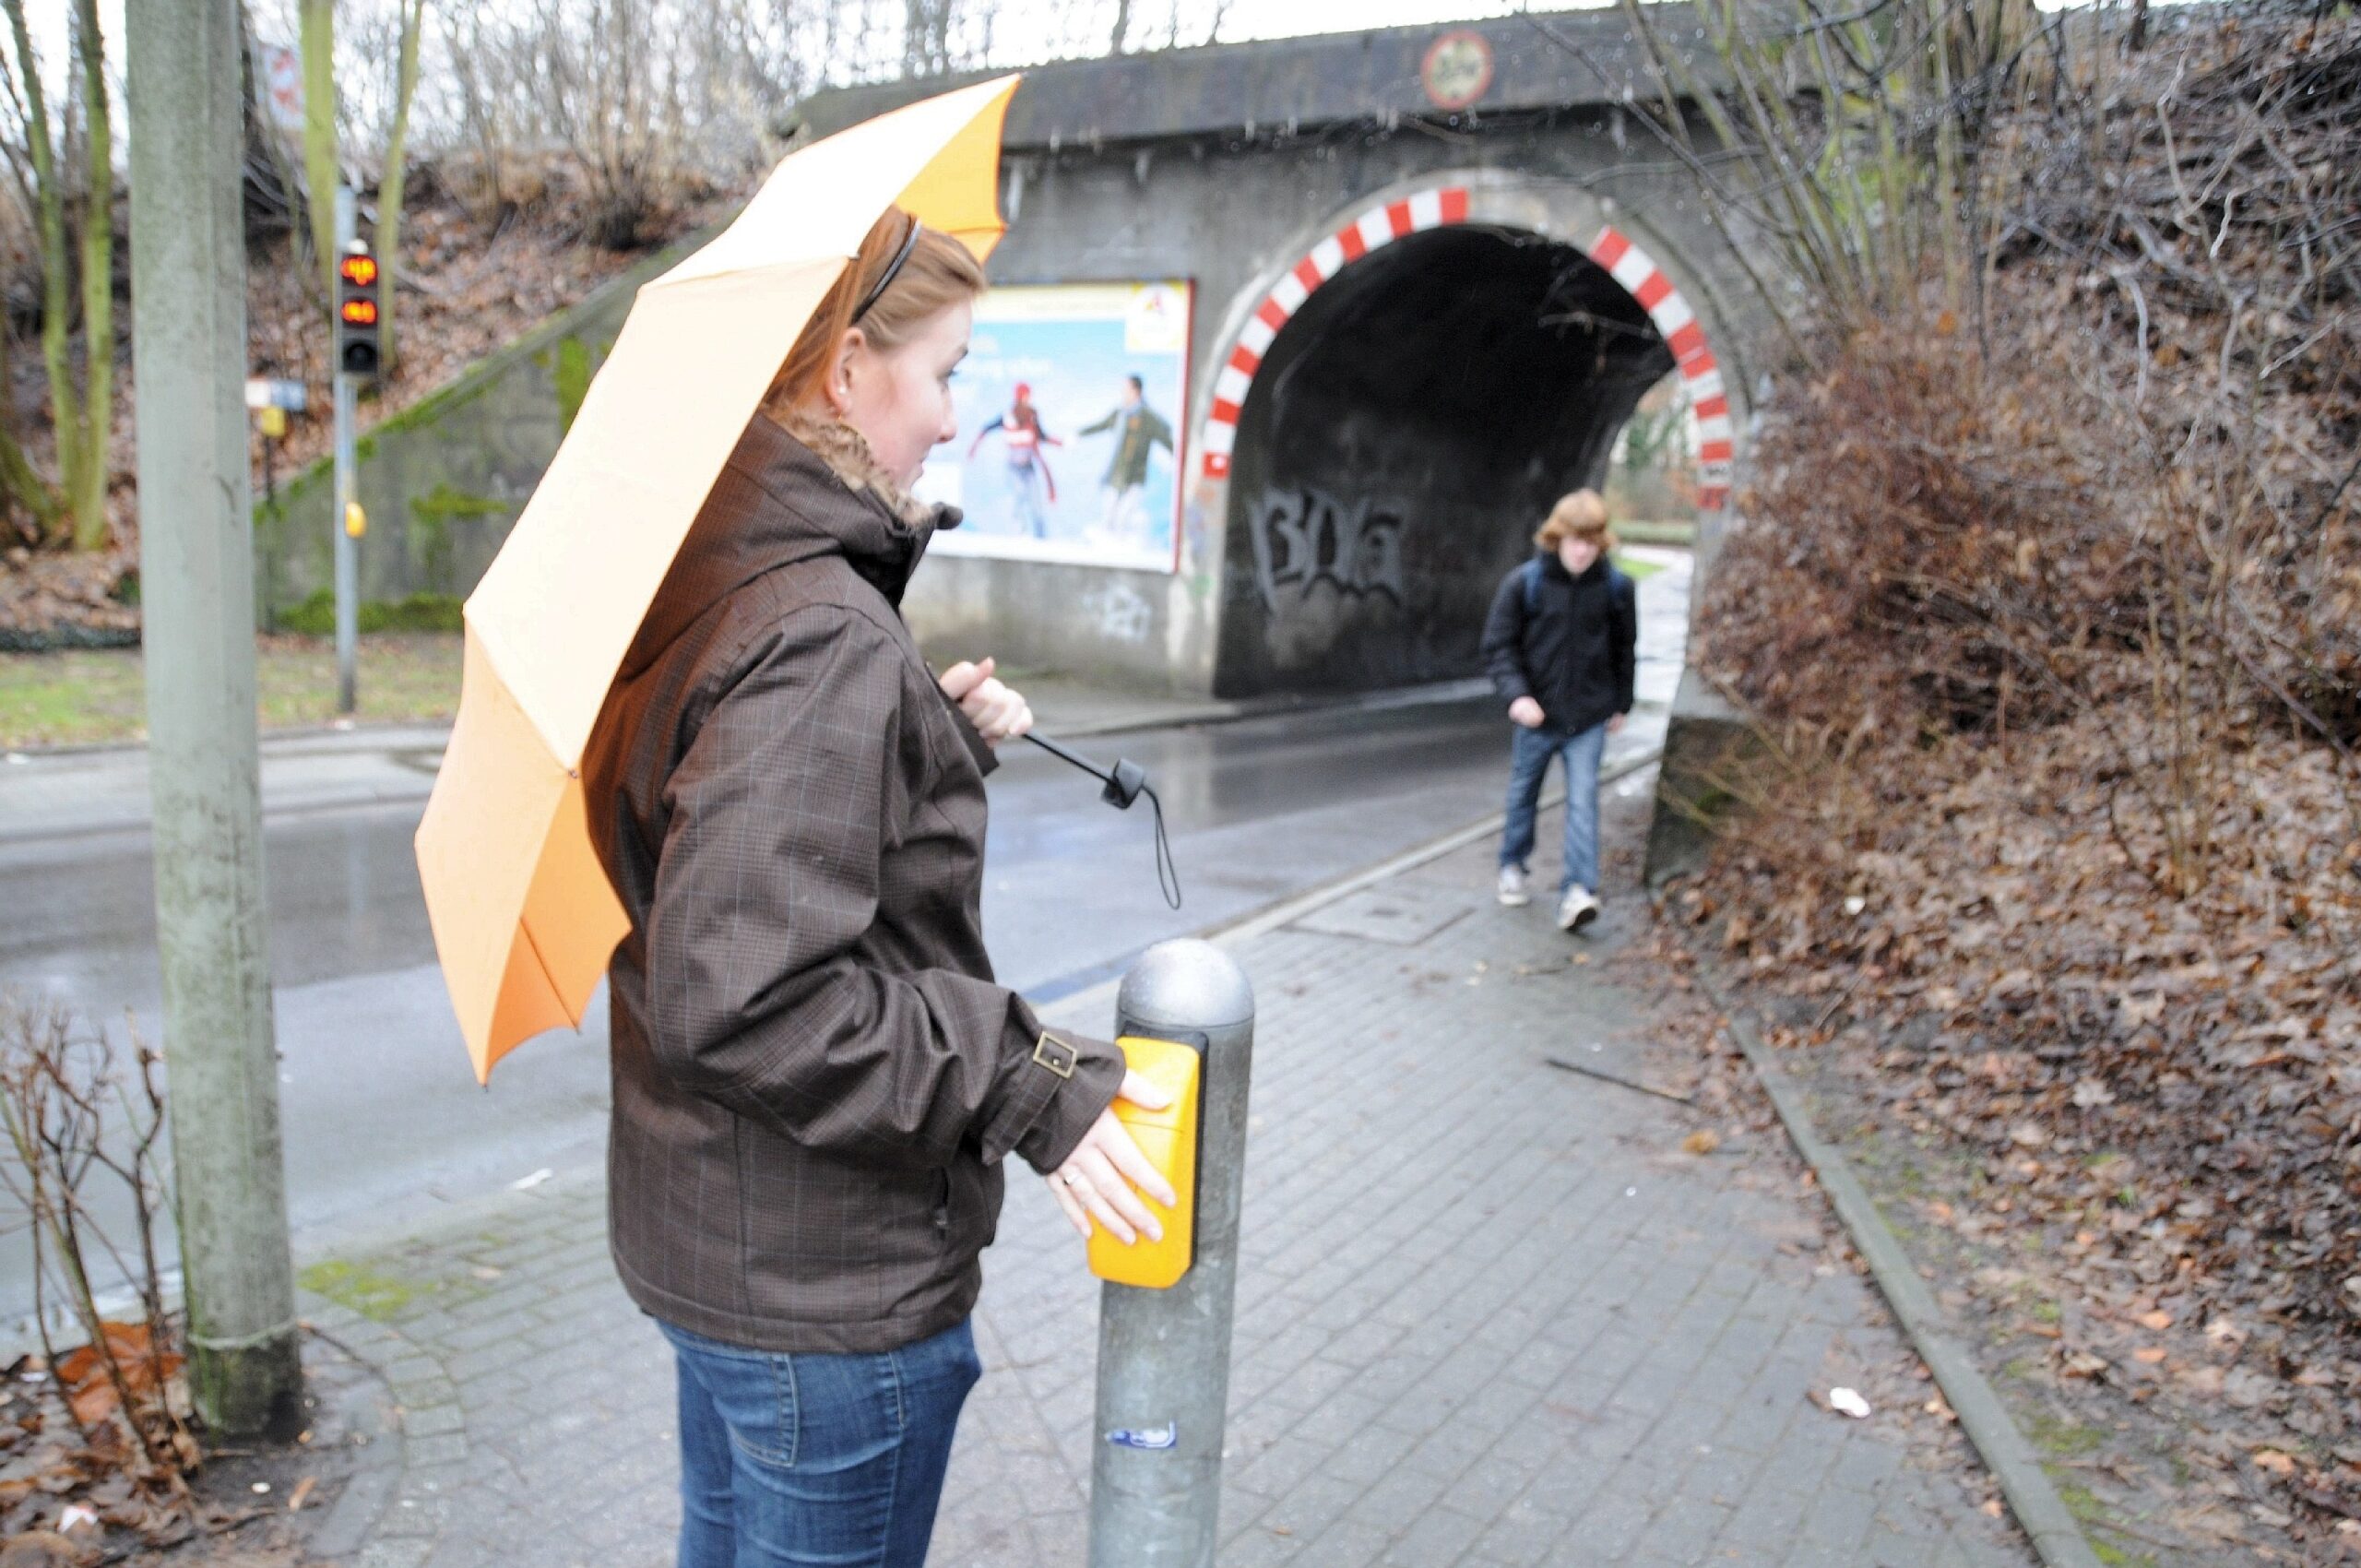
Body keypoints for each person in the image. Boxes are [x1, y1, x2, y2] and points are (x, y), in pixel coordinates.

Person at [582, 208, 1176, 1568]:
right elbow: (748, 998)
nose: (959, 419)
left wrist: (924, 748)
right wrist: (1028, 1081)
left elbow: (724, 843)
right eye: (950, 370)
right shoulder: (815, 632)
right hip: (822, 1292)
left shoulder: (713, 572)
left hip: (723, 1252)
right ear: (850, 371)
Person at [1479, 490, 1638, 932]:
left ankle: (1579, 891)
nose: (1582, 550)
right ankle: (1512, 864)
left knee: (1584, 801)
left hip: (1587, 718)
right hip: (1537, 715)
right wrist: (1518, 697)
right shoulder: (1524, 585)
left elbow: (1626, 650)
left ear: (1601, 543)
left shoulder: (1616, 589)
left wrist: (1622, 703)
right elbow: (1499, 648)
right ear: (1557, 538)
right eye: (1574, 540)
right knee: (1522, 796)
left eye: (1590, 542)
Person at [1078, 374, 1173, 539]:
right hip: (1116, 475)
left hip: (1135, 477)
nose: (1123, 393)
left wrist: (1181, 457)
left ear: (1136, 391)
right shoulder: (1119, 414)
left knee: (1123, 519)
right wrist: (1078, 435)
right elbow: (1100, 426)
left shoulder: (1147, 418)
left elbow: (1166, 439)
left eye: (1126, 389)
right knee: (1108, 519)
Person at [967, 381, 1060, 538]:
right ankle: (1019, 533)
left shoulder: (1032, 416)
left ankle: (1042, 539)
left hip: (1029, 467)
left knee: (1036, 504)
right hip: (1014, 468)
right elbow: (986, 428)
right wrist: (973, 448)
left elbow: (1041, 435)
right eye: (1025, 396)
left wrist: (1058, 442)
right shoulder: (1007, 416)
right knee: (1019, 498)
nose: (1028, 399)